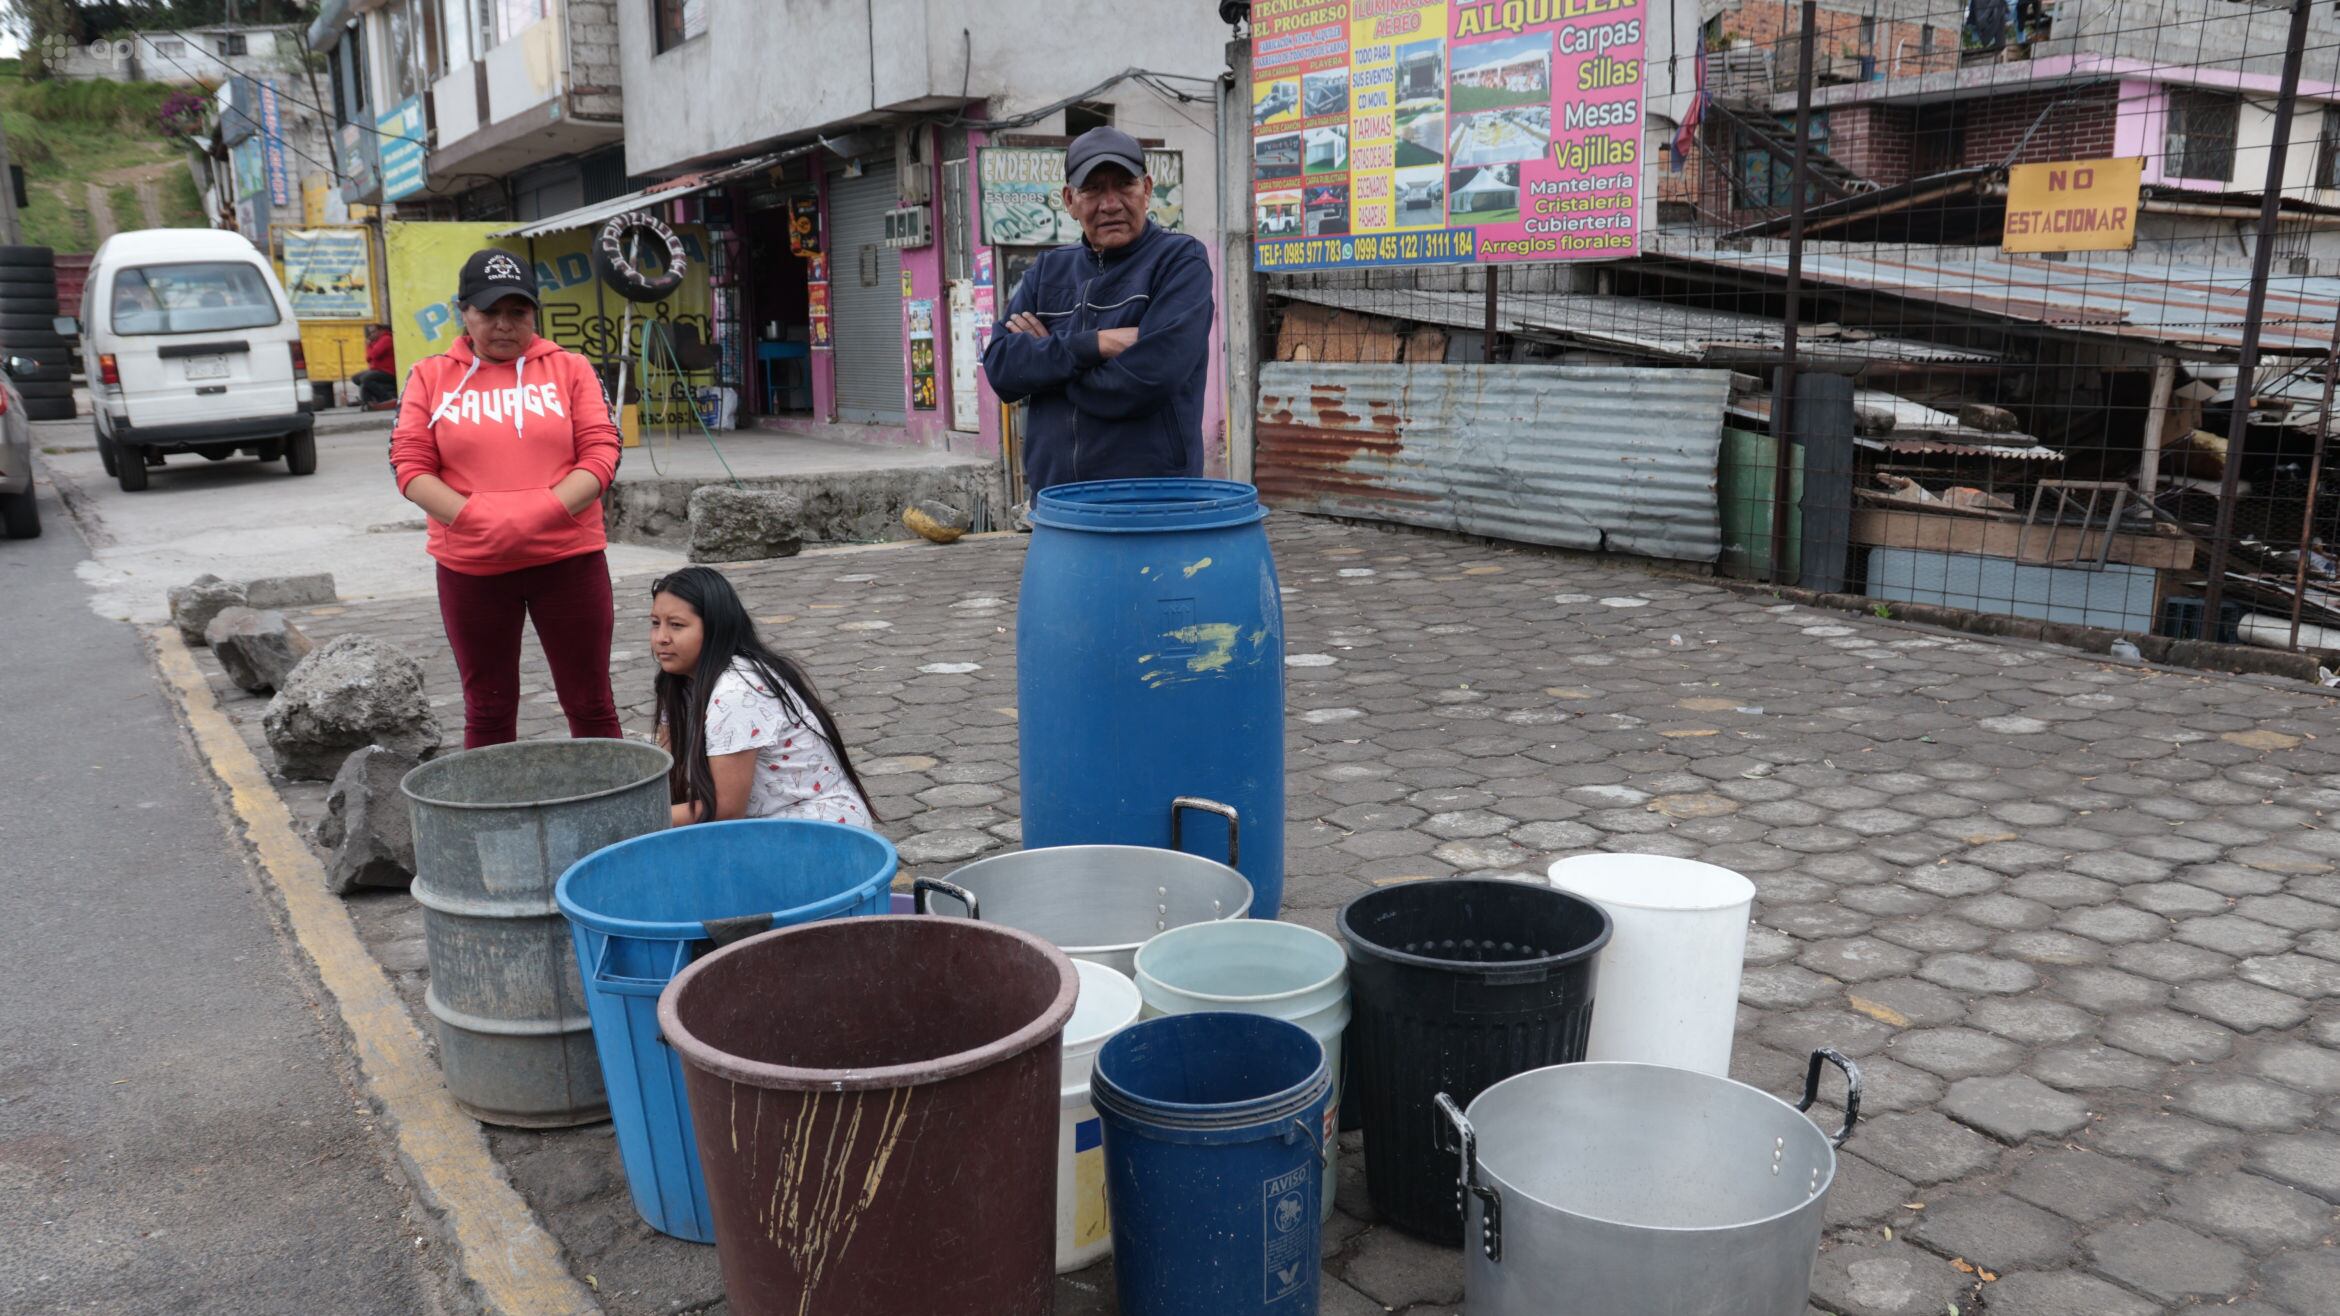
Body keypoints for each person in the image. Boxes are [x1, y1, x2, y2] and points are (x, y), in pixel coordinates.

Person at [388, 249, 624, 749]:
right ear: (463, 312)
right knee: (488, 709)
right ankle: (493, 803)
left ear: (534, 313)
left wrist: (547, 510)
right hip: (471, 569)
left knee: (591, 702)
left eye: (518, 311)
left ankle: (613, 800)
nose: (503, 324)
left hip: (569, 561)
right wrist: (474, 517)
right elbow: (409, 465)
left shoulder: (572, 368)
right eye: (489, 311)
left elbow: (603, 449)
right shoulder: (429, 376)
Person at [980, 125, 1214, 494]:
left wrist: (1049, 367)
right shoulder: (1047, 271)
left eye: (1124, 185)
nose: (1110, 204)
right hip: (1057, 500)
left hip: (1150, 500)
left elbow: (1150, 379)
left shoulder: (1180, 261)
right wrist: (1097, 344)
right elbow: (1001, 368)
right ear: (1069, 200)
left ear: (1147, 190)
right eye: (1092, 189)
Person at [647, 567, 875, 829]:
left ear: (715, 628)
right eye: (655, 623)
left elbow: (726, 810)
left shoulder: (736, 692)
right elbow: (669, 776)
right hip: (760, 824)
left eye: (676, 625)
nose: (661, 638)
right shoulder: (677, 682)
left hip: (819, 829)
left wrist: (638, 820)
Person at [352, 324, 397, 408]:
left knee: (366, 378)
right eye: (370, 333)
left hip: (388, 371)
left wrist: (368, 346)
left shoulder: (386, 339)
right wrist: (370, 348)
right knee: (355, 378)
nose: (371, 334)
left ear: (381, 331)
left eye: (373, 332)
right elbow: (368, 358)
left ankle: (386, 398)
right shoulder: (376, 341)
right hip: (377, 370)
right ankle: (368, 401)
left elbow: (374, 354)